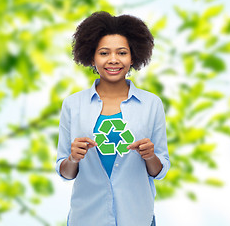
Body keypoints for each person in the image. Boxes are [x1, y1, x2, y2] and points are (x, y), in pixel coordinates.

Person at [55, 11, 170, 226]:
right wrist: (72, 158)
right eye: (104, 53)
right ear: (92, 57)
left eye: (122, 53)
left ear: (133, 56)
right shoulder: (73, 105)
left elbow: (160, 170)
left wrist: (150, 156)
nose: (113, 60)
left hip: (137, 217)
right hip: (87, 217)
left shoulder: (151, 104)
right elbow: (65, 172)